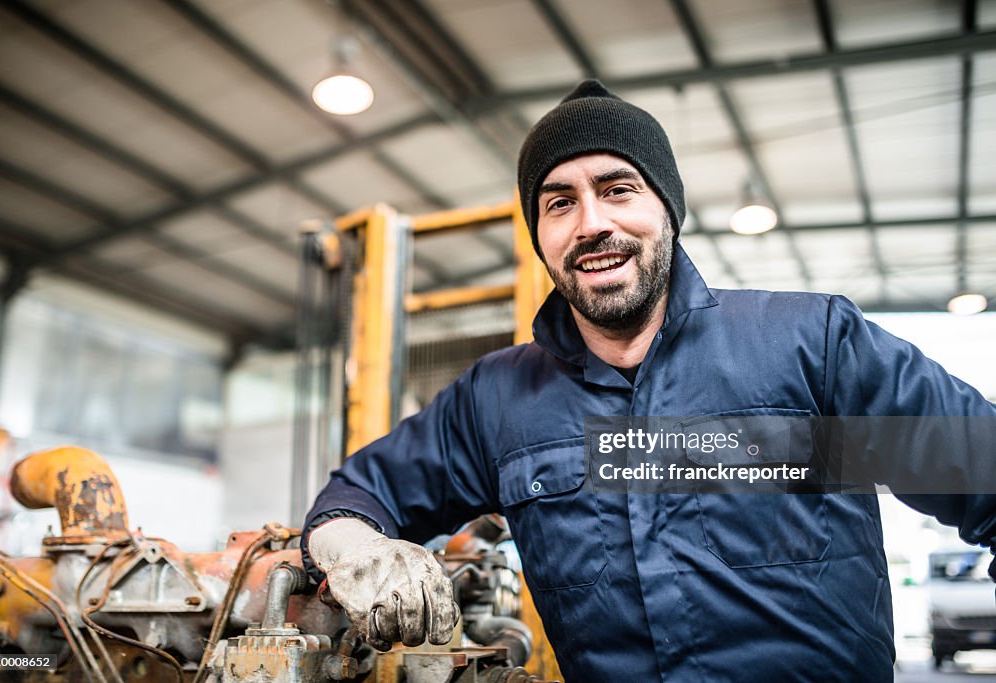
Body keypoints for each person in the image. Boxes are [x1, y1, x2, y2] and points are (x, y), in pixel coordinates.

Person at [302, 79, 996, 682]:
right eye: (559, 202)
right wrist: (359, 550)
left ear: (666, 206)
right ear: (540, 233)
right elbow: (354, 496)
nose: (592, 223)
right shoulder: (499, 401)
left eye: (617, 189)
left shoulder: (811, 347)